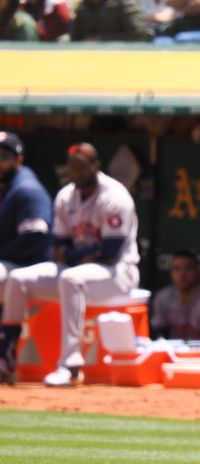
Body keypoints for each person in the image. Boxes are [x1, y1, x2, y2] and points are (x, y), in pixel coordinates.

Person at [0, 143, 140, 387]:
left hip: (119, 274)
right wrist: (81, 254)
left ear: (96, 167)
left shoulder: (115, 197)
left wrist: (73, 254)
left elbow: (108, 253)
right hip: (80, 272)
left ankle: (69, 364)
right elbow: (59, 247)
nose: (76, 173)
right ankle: (5, 356)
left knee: (71, 279)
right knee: (17, 280)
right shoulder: (66, 196)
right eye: (72, 168)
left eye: (82, 168)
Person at [0, 131, 52, 383]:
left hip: (29, 266)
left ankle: (4, 354)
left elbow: (35, 237)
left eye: (3, 156)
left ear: (18, 160)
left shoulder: (27, 190)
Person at [150, 249, 200, 343]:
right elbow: (158, 333)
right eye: (176, 269)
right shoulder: (163, 297)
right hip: (173, 353)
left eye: (188, 268)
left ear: (198, 271)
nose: (182, 273)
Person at [70, 0, 152, 41]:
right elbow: (76, 36)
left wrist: (102, 39)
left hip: (122, 54)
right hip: (89, 56)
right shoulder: (84, 6)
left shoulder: (123, 3)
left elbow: (139, 33)